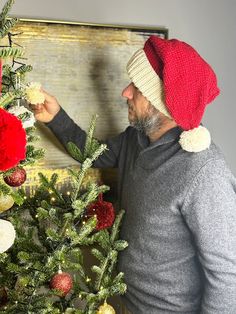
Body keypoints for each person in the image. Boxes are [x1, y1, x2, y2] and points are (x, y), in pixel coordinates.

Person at [32, 35, 236, 314]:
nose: (125, 92)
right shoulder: (137, 138)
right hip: (124, 302)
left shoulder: (204, 171)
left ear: (159, 101)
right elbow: (94, 154)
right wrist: (55, 117)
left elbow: (227, 275)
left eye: (137, 88)